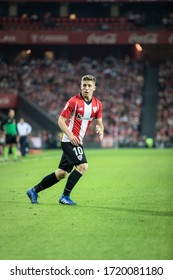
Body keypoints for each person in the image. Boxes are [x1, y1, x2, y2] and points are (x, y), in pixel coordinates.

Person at [26, 75, 104, 205]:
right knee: (83, 166)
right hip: (69, 140)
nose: (86, 88)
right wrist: (71, 135)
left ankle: (34, 190)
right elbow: (61, 121)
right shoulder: (73, 101)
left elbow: (100, 122)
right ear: (81, 86)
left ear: (94, 88)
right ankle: (65, 196)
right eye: (84, 85)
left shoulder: (98, 104)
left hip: (78, 141)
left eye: (89, 86)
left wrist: (100, 128)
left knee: (62, 173)